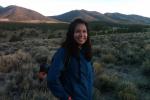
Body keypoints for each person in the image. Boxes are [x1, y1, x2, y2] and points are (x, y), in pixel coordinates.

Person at [47, 18, 94, 100]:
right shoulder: (64, 52)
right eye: (77, 31)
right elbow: (52, 79)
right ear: (71, 33)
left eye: (84, 31)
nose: (82, 35)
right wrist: (66, 97)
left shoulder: (86, 52)